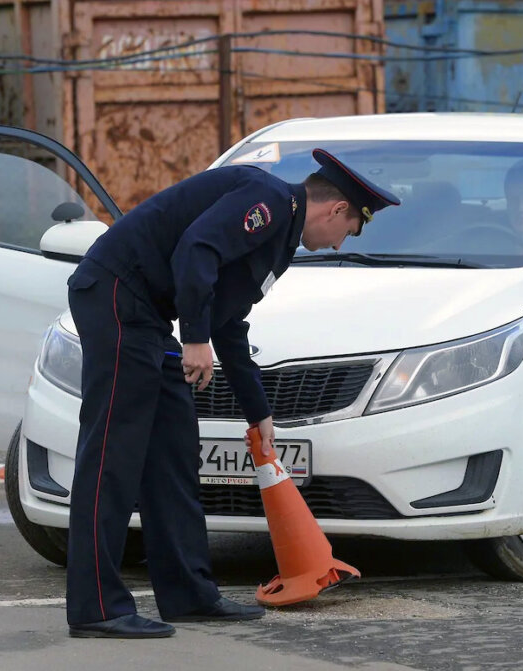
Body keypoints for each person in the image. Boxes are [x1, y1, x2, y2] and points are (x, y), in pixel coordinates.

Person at [64, 148, 400, 639]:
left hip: (147, 318)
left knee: (175, 454)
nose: (334, 245)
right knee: (112, 456)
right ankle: (95, 607)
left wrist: (257, 411)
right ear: (335, 210)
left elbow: (228, 321)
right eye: (346, 231)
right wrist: (194, 337)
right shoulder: (266, 199)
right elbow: (196, 248)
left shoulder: (280, 238)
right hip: (117, 296)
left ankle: (189, 595)